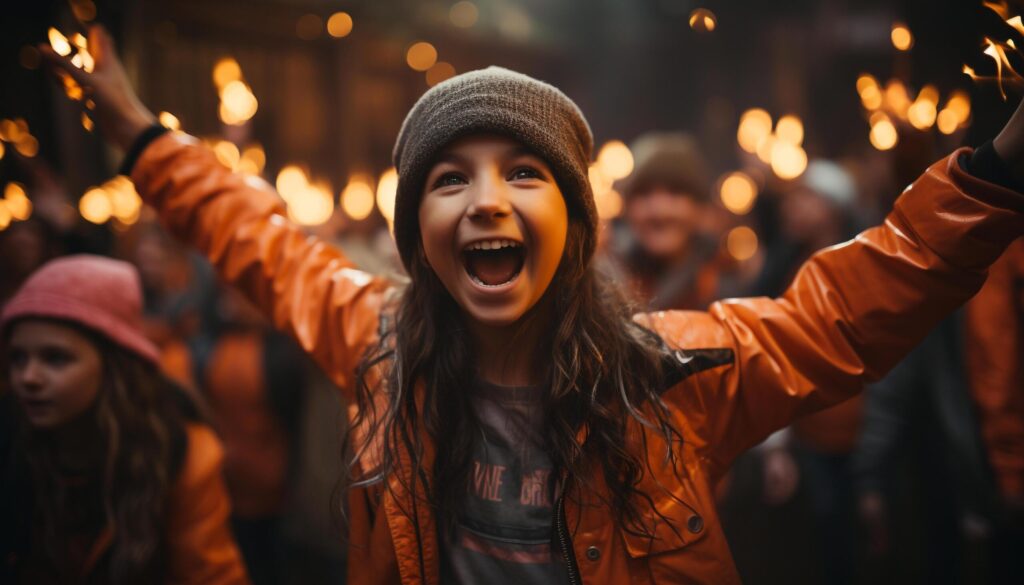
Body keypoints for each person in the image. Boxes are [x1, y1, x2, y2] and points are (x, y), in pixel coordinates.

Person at [40, 26, 1024, 585]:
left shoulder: (672, 372)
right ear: (415, 230)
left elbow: (842, 312)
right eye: (447, 180)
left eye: (524, 173)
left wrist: (995, 174)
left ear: (576, 221)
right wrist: (134, 136)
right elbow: (258, 242)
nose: (487, 203)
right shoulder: (374, 341)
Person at [0, 255, 249, 584]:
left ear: (113, 367)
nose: (28, 377)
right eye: (18, 358)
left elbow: (211, 576)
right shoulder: (9, 437)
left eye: (55, 358)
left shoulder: (180, 451)